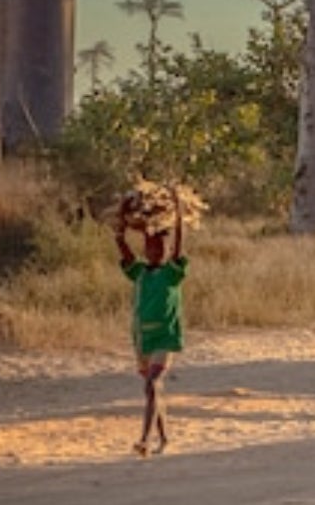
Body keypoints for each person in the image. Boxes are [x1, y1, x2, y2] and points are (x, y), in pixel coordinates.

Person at [115, 193, 187, 457]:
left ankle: (144, 439)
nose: (155, 252)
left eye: (160, 249)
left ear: (167, 252)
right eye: (150, 248)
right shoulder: (140, 273)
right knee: (152, 392)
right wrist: (121, 223)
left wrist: (179, 214)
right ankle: (164, 438)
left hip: (165, 339)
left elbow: (180, 246)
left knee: (152, 385)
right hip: (142, 340)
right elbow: (121, 245)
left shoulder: (173, 273)